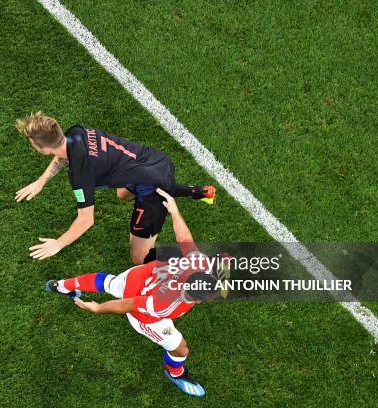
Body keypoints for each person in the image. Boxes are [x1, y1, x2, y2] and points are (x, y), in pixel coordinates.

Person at [45, 189, 227, 397]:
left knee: (110, 282)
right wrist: (97, 309)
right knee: (180, 349)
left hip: (137, 276)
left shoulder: (197, 263)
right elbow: (127, 305)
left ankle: (61, 285)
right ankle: (175, 373)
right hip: (145, 316)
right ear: (196, 299)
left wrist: (174, 211)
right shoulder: (165, 306)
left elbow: (184, 238)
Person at [15, 112, 216, 264]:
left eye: (33, 144)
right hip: (153, 160)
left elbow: (86, 220)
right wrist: (41, 181)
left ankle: (194, 265)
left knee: (139, 258)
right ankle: (199, 192)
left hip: (152, 184)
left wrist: (58, 244)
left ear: (44, 149)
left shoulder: (80, 174)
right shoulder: (76, 132)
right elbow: (63, 155)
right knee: (123, 194)